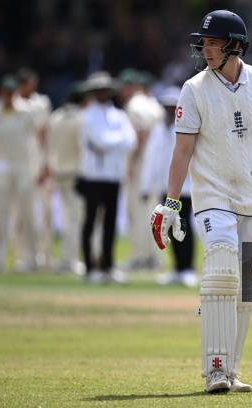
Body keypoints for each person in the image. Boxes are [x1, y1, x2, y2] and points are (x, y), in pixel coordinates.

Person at [150, 10, 252, 393]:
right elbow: (182, 151)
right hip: (213, 196)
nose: (206, 49)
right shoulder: (194, 88)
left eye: (214, 43)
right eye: (204, 43)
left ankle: (231, 370)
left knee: (247, 286)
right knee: (221, 271)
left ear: (236, 44)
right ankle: (214, 370)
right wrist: (171, 202)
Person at [75, 72, 136, 284]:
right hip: (93, 176)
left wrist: (113, 143)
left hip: (113, 175)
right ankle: (90, 268)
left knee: (110, 222)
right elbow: (100, 141)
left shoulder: (118, 115)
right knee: (91, 221)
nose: (103, 93)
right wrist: (116, 143)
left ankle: (108, 265)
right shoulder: (86, 115)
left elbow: (131, 140)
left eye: (105, 90)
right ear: (92, 93)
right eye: (99, 90)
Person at [0, 76, 43, 272]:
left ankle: (29, 259)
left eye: (12, 93)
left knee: (26, 214)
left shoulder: (27, 111)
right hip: (2, 166)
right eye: (6, 93)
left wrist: (40, 165)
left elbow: (39, 137)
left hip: (23, 166)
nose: (9, 97)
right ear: (0, 93)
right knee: (0, 215)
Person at [141, 86, 197, 287]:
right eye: (165, 106)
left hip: (186, 188)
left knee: (184, 227)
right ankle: (176, 269)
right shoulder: (157, 129)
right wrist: (146, 186)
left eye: (172, 107)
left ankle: (187, 268)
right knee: (169, 227)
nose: (168, 110)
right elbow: (151, 159)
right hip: (165, 188)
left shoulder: (186, 127)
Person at [118, 69, 165, 272]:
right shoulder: (155, 105)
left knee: (137, 213)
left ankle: (139, 257)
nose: (122, 91)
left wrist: (130, 163)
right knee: (153, 212)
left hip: (140, 166)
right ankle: (153, 257)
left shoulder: (133, 105)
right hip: (157, 166)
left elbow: (140, 134)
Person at [46, 83, 88, 275]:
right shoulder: (81, 119)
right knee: (75, 218)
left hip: (58, 173)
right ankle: (70, 260)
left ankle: (66, 258)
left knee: (66, 217)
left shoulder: (55, 117)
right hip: (76, 174)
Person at [14, 68, 53, 269]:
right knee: (21, 214)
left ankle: (44, 256)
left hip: (38, 163)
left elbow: (45, 134)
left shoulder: (41, 103)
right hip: (20, 164)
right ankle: (24, 257)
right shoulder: (13, 104)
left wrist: (46, 164)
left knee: (43, 213)